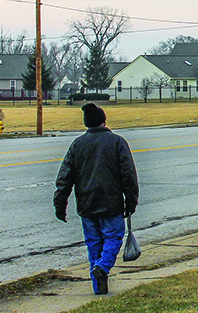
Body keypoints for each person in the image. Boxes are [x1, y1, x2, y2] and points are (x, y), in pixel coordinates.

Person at [54, 103, 139, 295]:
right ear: (104, 121)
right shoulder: (117, 142)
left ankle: (98, 285)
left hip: (86, 204)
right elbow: (128, 175)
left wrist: (60, 203)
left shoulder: (77, 144)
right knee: (114, 237)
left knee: (93, 243)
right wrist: (131, 201)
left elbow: (64, 177)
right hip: (111, 203)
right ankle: (102, 267)